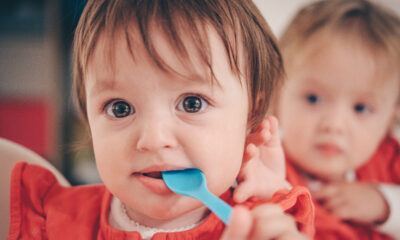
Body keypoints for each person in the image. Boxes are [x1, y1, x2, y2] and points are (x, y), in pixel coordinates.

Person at [7, 0, 315, 239]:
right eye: (120, 108)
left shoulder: (264, 227)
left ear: (252, 117)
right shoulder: (51, 219)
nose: (153, 140)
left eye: (192, 104)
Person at [238, 0, 400, 239]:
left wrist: (386, 204)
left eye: (361, 108)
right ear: (277, 96)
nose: (334, 124)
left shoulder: (389, 161)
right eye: (313, 99)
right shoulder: (262, 174)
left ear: (391, 116)